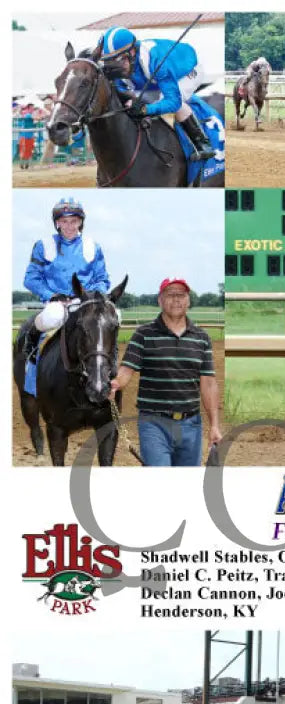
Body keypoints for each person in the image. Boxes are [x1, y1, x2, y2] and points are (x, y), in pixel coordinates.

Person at [110, 277, 222, 466]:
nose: (176, 299)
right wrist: (115, 384)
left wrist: (215, 426)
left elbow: (209, 383)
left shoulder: (202, 338)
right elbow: (126, 371)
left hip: (191, 426)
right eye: (170, 295)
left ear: (188, 300)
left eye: (181, 295)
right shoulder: (143, 334)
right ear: (160, 300)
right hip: (154, 424)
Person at [98, 26, 214, 159]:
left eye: (119, 60)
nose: (115, 67)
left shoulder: (156, 61)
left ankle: (203, 144)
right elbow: (124, 92)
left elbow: (173, 103)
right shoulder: (122, 65)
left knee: (166, 99)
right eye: (110, 61)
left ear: (132, 53)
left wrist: (145, 109)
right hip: (153, 76)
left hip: (187, 71)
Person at [23, 198, 110, 358]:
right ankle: (33, 338)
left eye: (74, 221)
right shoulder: (43, 245)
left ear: (80, 222)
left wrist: (93, 296)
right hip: (57, 303)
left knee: (115, 316)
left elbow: (102, 279)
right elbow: (31, 279)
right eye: (64, 221)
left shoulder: (93, 246)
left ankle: (109, 363)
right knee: (54, 316)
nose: (69, 226)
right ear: (57, 223)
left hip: (85, 302)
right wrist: (52, 295)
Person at [17, 103, 36, 170]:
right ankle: (22, 164)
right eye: (31, 108)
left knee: (29, 150)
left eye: (33, 108)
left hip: (30, 136)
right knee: (24, 150)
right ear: (28, 109)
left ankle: (26, 164)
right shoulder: (28, 115)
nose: (32, 109)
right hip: (25, 136)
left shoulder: (30, 115)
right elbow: (36, 118)